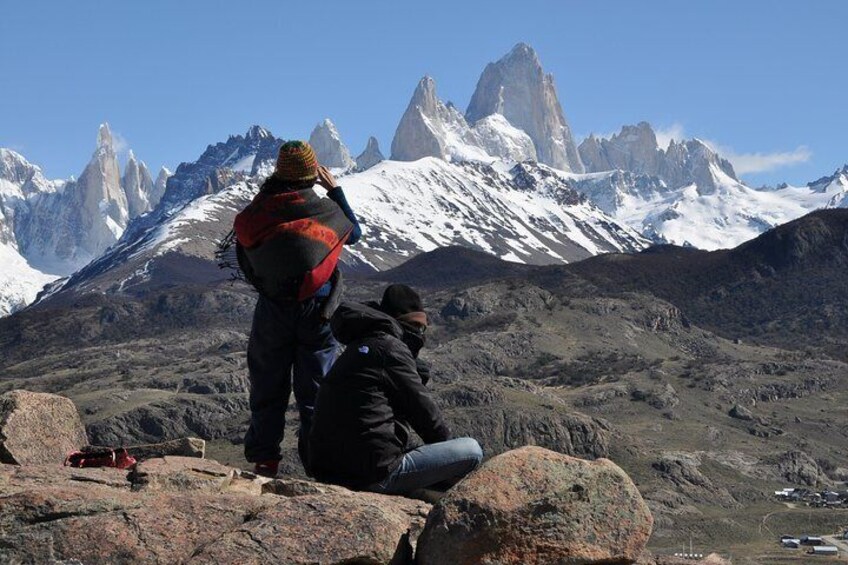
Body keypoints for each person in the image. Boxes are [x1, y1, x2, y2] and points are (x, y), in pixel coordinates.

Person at [234, 140, 361, 477]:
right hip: (318, 310)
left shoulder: (263, 208)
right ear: (313, 174)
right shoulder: (324, 210)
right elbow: (354, 232)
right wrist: (336, 192)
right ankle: (319, 467)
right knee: (316, 390)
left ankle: (265, 462)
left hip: (273, 309)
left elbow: (243, 240)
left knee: (267, 383)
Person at [308, 284, 483, 495]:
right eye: (417, 327)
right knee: (471, 450)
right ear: (402, 324)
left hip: (333, 472)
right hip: (373, 475)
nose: (420, 335)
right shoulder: (390, 348)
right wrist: (450, 463)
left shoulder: (363, 344)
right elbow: (425, 414)